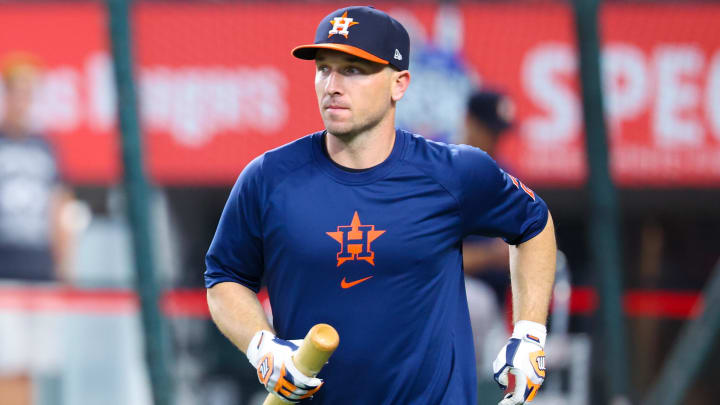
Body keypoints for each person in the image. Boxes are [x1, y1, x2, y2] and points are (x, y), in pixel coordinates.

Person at [205, 6, 556, 405]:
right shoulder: (269, 177)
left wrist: (529, 333)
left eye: (353, 70)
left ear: (399, 84)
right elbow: (224, 277)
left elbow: (534, 224)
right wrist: (261, 346)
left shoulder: (454, 172)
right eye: (324, 68)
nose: (332, 85)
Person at [0, 53, 74, 405]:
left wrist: (64, 260)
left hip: (40, 270)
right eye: (16, 92)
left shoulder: (46, 147)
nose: (22, 101)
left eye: (29, 93)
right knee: (8, 364)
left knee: (37, 366)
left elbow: (58, 205)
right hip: (5, 271)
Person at [461, 89, 519, 369]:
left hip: (497, 309)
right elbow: (427, 257)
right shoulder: (444, 171)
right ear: (469, 122)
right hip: (449, 294)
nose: (495, 140)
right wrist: (492, 255)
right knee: (474, 303)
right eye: (489, 130)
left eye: (499, 132)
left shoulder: (506, 179)